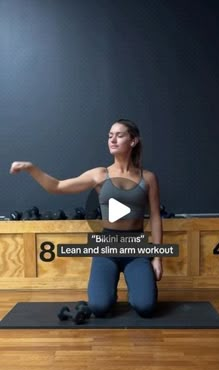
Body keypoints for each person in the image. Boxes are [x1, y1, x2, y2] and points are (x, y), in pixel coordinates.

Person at [9, 118, 163, 317]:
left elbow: (156, 218)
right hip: (106, 247)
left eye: (119, 135)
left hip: (136, 247)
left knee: (146, 307)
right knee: (99, 307)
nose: (112, 139)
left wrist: (158, 258)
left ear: (133, 141)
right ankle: (108, 292)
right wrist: (31, 168)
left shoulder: (148, 178)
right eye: (110, 136)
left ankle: (141, 289)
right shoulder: (99, 175)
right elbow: (56, 187)